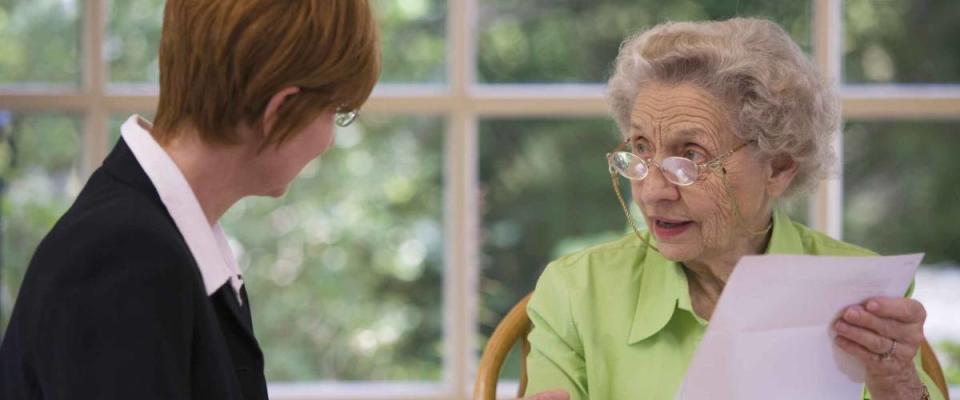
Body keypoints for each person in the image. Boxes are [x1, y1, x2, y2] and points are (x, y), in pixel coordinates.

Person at [523, 18, 943, 400]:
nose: (651, 191)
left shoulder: (862, 292)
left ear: (778, 167)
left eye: (689, 157)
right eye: (640, 149)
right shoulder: (577, 291)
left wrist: (898, 385)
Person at [0, 1, 378, 398]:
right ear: (281, 109)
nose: (330, 140)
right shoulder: (127, 257)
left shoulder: (162, 241)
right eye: (336, 112)